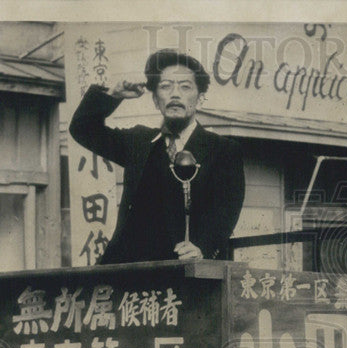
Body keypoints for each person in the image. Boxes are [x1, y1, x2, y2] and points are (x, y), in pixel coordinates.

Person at [70, 49, 245, 265]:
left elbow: (226, 210)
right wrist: (113, 95)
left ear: (200, 99)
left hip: (182, 272)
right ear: (155, 100)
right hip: (128, 270)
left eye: (185, 86)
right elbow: (82, 129)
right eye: (165, 86)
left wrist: (203, 248)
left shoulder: (223, 150)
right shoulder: (139, 141)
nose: (175, 94)